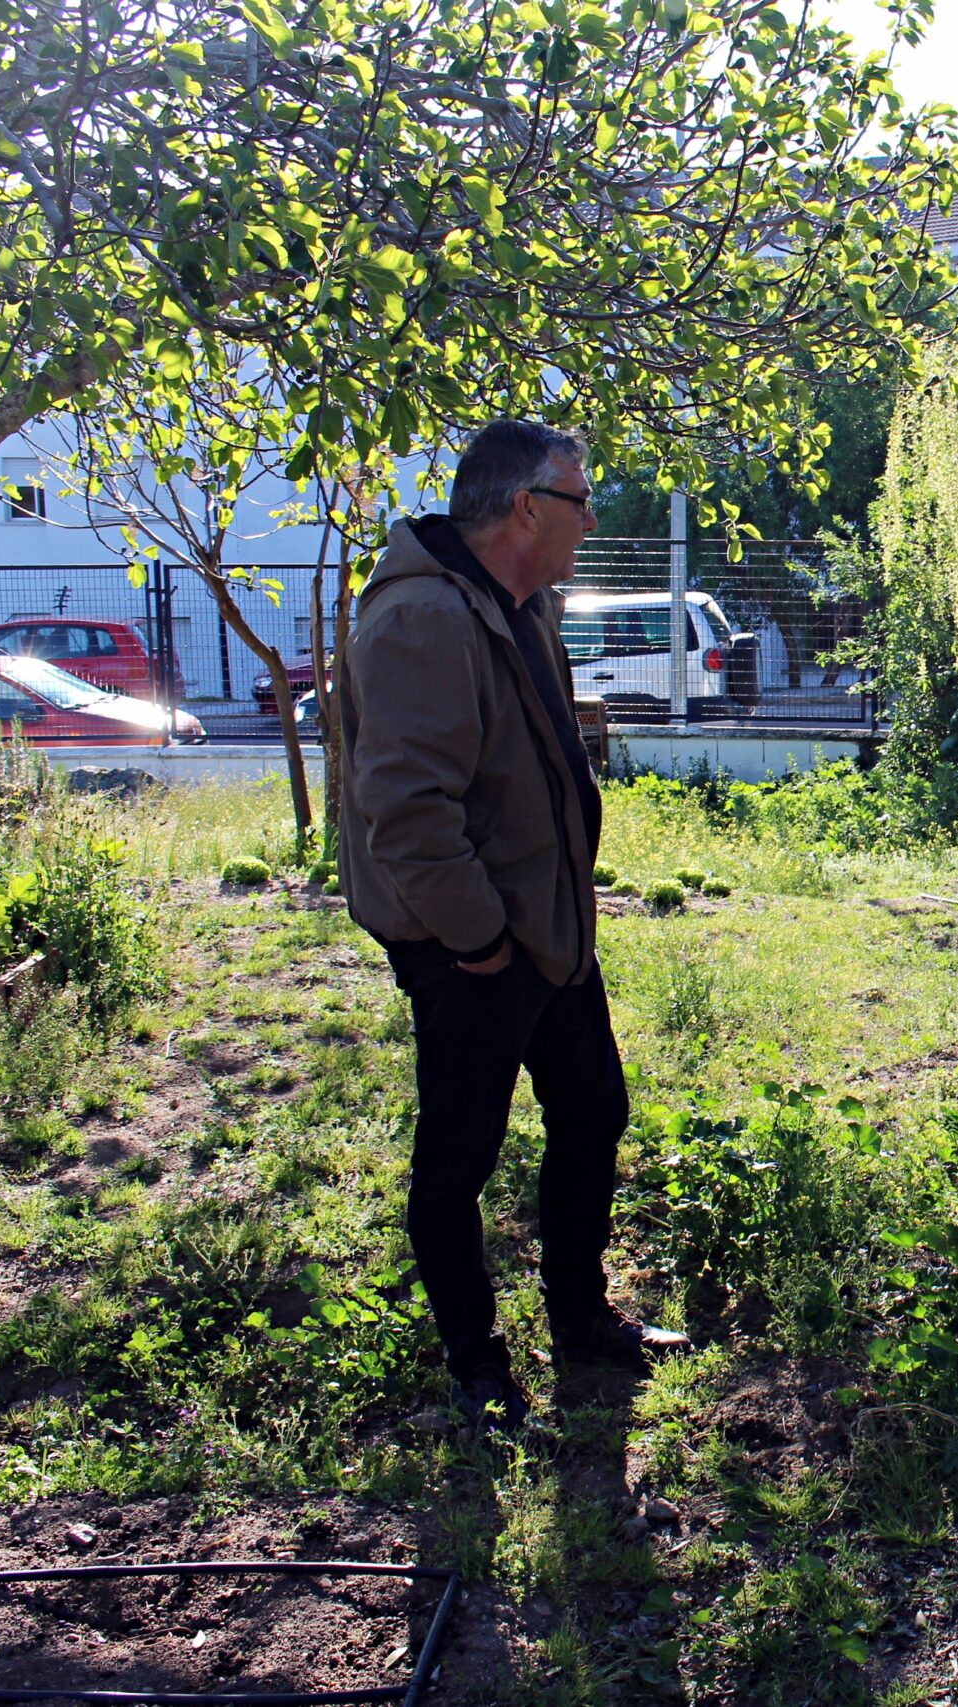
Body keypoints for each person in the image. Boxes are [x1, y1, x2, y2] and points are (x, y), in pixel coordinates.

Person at [338, 417, 686, 1432]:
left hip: (548, 931)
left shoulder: (519, 605)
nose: (591, 520)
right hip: (474, 948)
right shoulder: (421, 619)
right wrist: (480, 940)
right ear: (527, 507)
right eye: (580, 501)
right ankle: (477, 1368)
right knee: (458, 1160)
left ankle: (579, 1321)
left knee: (592, 1113)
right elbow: (406, 812)